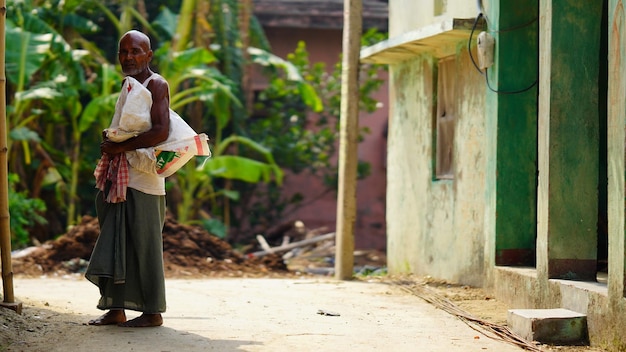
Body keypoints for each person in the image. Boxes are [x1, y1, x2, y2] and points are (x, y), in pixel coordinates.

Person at [85, 30, 170, 328]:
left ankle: (152, 312)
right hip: (121, 177)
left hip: (145, 181)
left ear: (149, 55)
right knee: (117, 244)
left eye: (136, 51)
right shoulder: (129, 85)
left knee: (144, 247)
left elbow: (161, 131)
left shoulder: (156, 84)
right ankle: (116, 309)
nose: (129, 57)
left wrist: (119, 146)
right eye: (124, 52)